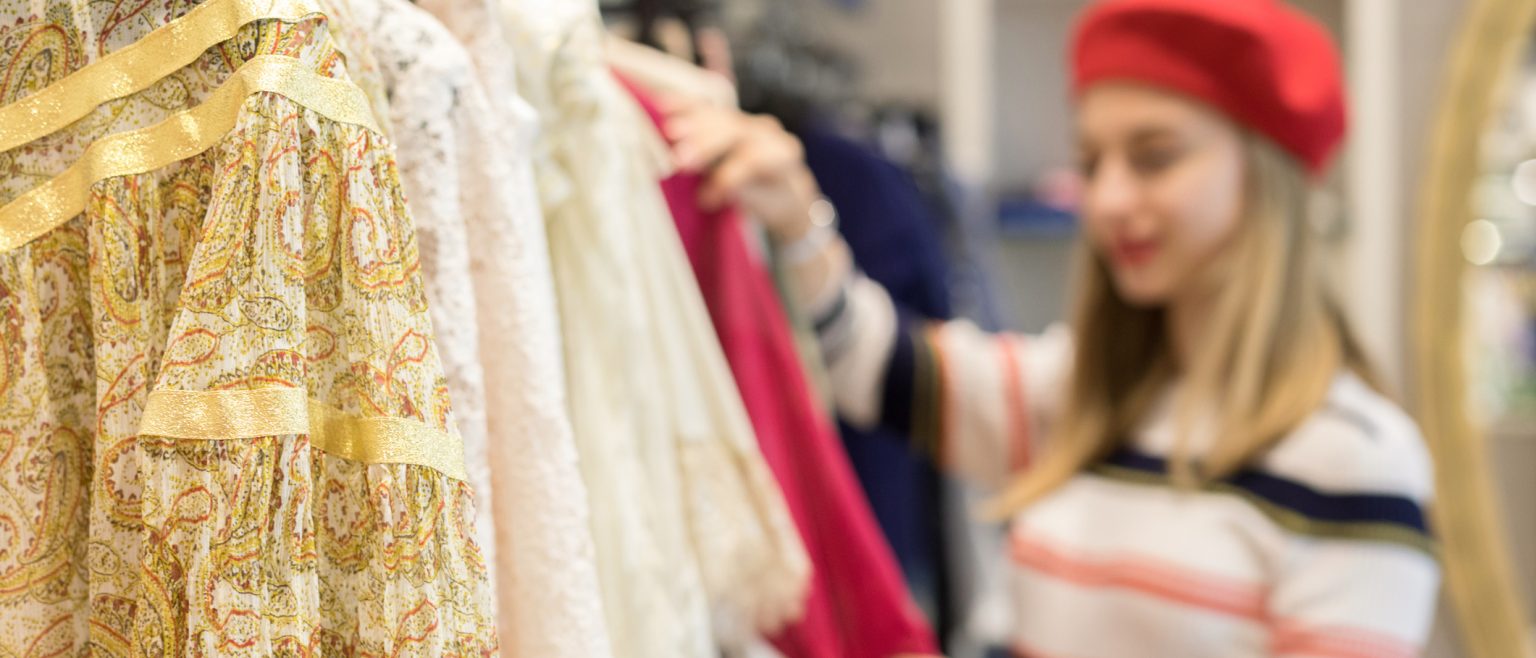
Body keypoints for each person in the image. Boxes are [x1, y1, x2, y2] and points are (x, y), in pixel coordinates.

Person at [659, 0, 1440, 656]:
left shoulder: (1354, 460)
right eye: (1093, 163)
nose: (1107, 200)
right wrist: (795, 215)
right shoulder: (1086, 397)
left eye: (1155, 158)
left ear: (1267, 176)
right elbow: (871, 364)